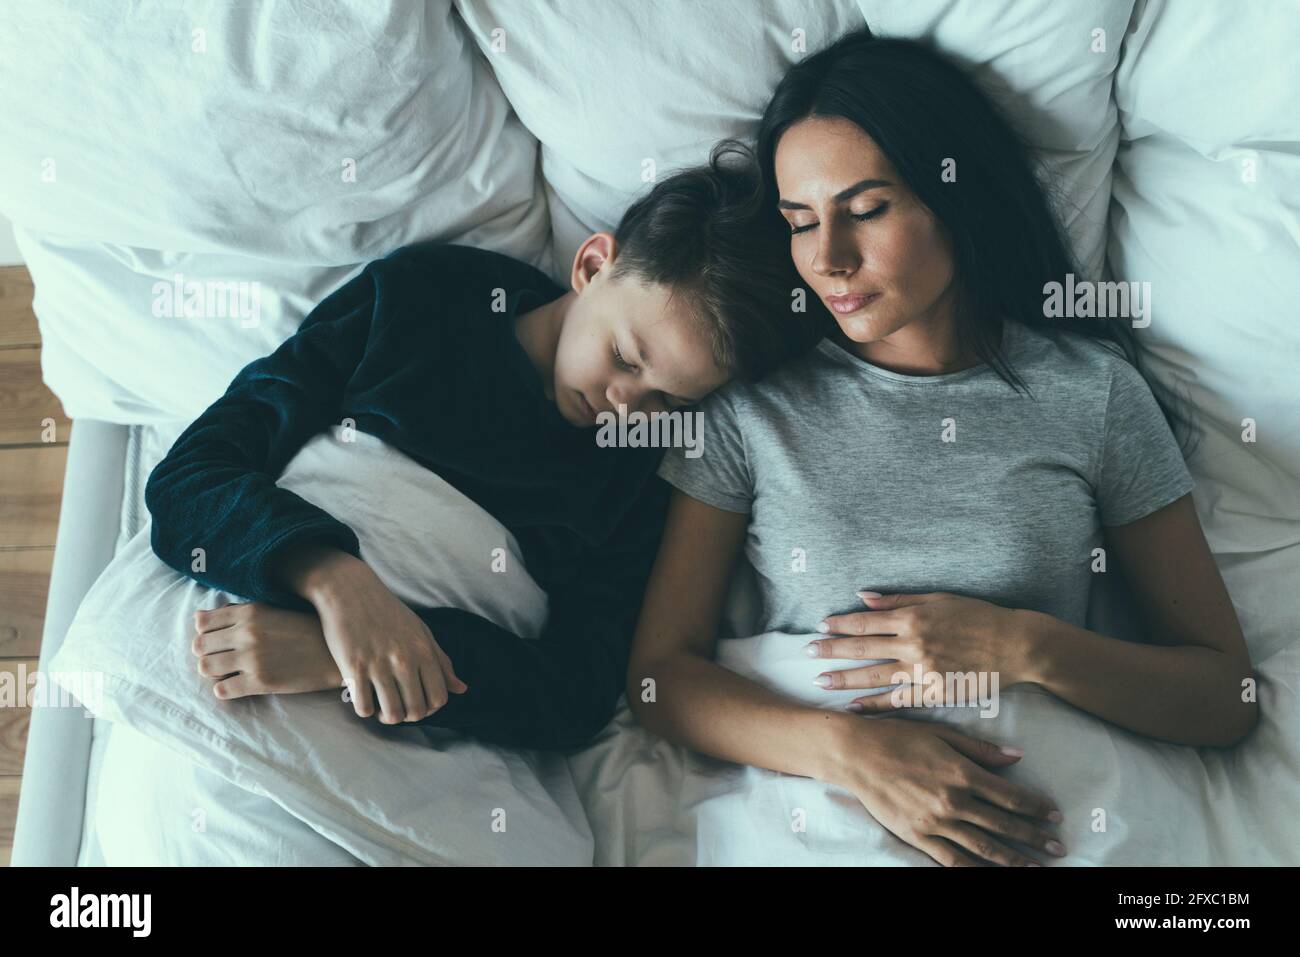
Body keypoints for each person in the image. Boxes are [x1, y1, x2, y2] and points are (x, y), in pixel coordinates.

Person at [627, 28, 1257, 866]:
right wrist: (848, 753)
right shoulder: (753, 406)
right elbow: (659, 678)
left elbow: (1225, 695)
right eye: (799, 221)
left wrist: (1025, 645)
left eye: (867, 210)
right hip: (825, 817)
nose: (829, 259)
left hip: (1048, 821)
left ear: (954, 195)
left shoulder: (1092, 393)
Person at [144, 145, 827, 751]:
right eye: (625, 355)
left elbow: (571, 697)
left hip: (409, 713)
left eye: (668, 400)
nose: (626, 407)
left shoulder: (636, 473)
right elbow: (191, 476)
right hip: (240, 616)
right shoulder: (423, 301)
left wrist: (336, 656)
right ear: (593, 264)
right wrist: (333, 579)